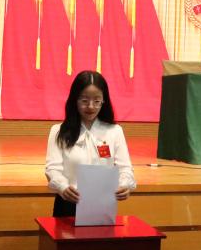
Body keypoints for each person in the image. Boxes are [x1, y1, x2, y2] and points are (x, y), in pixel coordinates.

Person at [45, 70, 136, 218]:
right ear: (75, 100)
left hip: (103, 204)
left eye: (97, 101)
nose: (91, 106)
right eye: (84, 100)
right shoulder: (58, 131)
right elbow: (52, 169)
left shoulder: (115, 131)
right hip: (69, 203)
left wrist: (124, 185)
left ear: (104, 101)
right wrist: (63, 187)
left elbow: (125, 168)